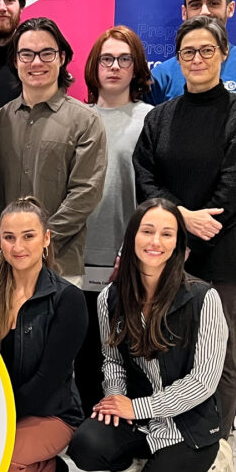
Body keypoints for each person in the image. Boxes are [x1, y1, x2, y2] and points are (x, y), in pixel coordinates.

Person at [67, 198, 236, 472]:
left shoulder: (203, 299)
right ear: (132, 238)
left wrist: (136, 408)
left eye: (167, 233)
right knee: (85, 444)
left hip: (189, 426)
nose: (155, 242)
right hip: (139, 420)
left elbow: (204, 383)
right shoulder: (110, 298)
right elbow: (112, 360)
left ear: (179, 244)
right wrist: (116, 396)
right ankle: (129, 470)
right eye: (147, 231)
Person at [133, 15, 236, 440]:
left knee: (218, 361)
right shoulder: (161, 117)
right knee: (165, 354)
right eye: (188, 51)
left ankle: (216, 453)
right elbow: (145, 177)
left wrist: (184, 224)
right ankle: (165, 443)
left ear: (224, 54)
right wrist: (180, 219)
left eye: (207, 50)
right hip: (166, 258)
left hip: (222, 259)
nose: (197, 59)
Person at [0, 197, 86, 472]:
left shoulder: (68, 299)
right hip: (0, 410)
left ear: (46, 239)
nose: (18, 246)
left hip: (52, 413)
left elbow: (47, 382)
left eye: (28, 236)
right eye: (9, 237)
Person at [0, 17, 107, 286]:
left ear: (62, 58)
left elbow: (85, 194)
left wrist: (39, 242)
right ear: (15, 61)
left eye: (47, 53)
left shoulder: (85, 121)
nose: (36, 62)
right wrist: (4, 242)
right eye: (26, 54)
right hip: (2, 265)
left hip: (61, 265)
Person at [76, 25, 154, 411]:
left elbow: (153, 196)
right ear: (94, 65)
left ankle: (129, 423)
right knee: (85, 348)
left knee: (126, 350)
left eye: (125, 59)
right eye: (107, 58)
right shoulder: (77, 116)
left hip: (128, 256)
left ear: (136, 67)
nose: (115, 67)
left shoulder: (151, 120)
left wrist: (131, 251)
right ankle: (91, 422)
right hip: (77, 254)